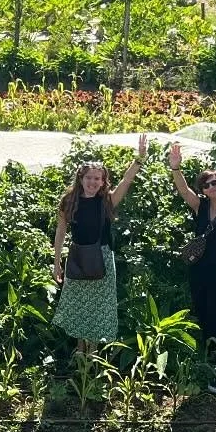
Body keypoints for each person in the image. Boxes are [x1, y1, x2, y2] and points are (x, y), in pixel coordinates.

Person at [50, 137, 147, 350]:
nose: (93, 182)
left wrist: (139, 158)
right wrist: (57, 262)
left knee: (96, 306)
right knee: (78, 305)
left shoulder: (107, 201)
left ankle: (92, 353)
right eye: (89, 178)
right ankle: (80, 351)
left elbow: (126, 181)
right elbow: (60, 232)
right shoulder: (68, 201)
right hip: (77, 258)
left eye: (97, 179)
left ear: (103, 182)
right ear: (81, 178)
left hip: (102, 258)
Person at [168, 142, 216, 390]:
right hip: (198, 271)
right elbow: (183, 190)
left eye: (215, 182)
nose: (211, 187)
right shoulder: (200, 206)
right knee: (204, 317)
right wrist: (176, 168)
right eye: (206, 184)